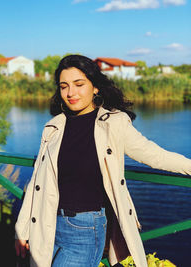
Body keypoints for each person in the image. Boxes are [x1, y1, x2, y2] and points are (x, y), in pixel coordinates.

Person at [15, 55, 191, 267]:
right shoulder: (54, 128)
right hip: (48, 226)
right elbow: (37, 183)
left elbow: (155, 155)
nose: (71, 93)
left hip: (85, 230)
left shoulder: (113, 124)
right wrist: (22, 229)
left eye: (79, 84)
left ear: (95, 87)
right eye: (64, 86)